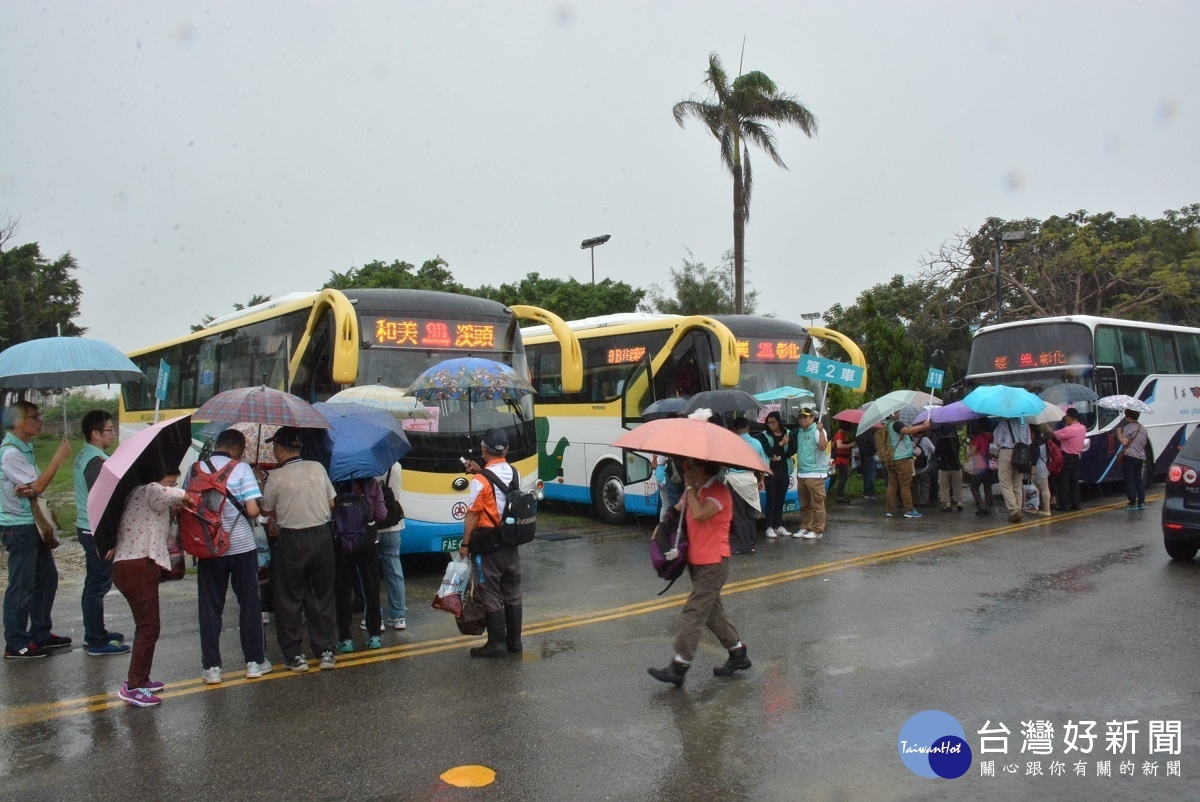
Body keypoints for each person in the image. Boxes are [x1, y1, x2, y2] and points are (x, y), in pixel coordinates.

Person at [648, 457, 749, 686]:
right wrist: (661, 531)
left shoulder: (719, 492)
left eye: (687, 467)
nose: (683, 471)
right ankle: (738, 653)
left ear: (700, 468)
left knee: (693, 613)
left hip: (714, 563)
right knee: (713, 613)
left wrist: (691, 488)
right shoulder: (695, 490)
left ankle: (679, 665)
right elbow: (675, 512)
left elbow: (701, 512)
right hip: (697, 562)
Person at [189, 428, 270, 684]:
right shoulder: (242, 469)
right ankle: (255, 662)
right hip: (241, 547)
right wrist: (258, 486)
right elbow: (253, 511)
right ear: (235, 447)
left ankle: (211, 668)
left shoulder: (195, 468)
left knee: (210, 607)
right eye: (242, 449)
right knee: (249, 603)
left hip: (208, 548)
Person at [259, 426, 338, 672]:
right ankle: (325, 651)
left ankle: (295, 655)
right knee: (321, 596)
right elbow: (332, 501)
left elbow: (266, 509)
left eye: (274, 447)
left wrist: (263, 483)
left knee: (289, 598)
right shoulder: (317, 467)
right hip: (321, 536)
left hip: (292, 540)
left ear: (280, 449)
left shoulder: (276, 477)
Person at [111, 467, 191, 706]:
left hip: (136, 565)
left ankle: (141, 680)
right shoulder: (149, 489)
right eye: (169, 481)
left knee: (147, 626)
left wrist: (174, 509)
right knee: (148, 627)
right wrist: (184, 495)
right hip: (137, 565)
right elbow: (170, 494)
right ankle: (134, 686)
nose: (171, 486)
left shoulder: (139, 494)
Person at [2, 401, 74, 660]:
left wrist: (31, 487)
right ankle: (16, 643)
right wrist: (57, 458)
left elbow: (32, 487)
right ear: (19, 421)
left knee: (47, 578)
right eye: (35, 417)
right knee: (21, 585)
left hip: (30, 523)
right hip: (18, 526)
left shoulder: (24, 449)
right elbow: (40, 485)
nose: (40, 421)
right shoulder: (11, 453)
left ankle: (40, 633)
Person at [458, 428, 523, 658]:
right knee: (512, 590)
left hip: (487, 544)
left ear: (484, 450)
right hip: (511, 541)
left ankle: (496, 644)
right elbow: (501, 490)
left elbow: (473, 514)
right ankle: (514, 642)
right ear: (506, 449)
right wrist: (481, 471)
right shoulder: (516, 473)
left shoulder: (479, 481)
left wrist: (465, 543)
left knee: (491, 591)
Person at [74, 409, 129, 656]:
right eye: (109, 429)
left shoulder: (89, 455)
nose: (113, 433)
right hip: (95, 530)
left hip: (89, 527)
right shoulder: (96, 462)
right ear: (94, 433)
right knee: (97, 586)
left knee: (96, 584)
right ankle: (95, 640)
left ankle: (97, 632)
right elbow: (103, 500)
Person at [334, 476, 387, 652]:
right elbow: (381, 514)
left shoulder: (336, 482)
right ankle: (374, 637)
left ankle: (345, 639)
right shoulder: (371, 483)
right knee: (371, 587)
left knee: (343, 590)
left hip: (342, 542)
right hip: (367, 540)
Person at [725, 415, 765, 553]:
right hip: (751, 479)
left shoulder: (731, 443)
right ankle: (752, 544)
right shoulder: (757, 443)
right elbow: (762, 465)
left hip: (735, 480)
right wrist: (761, 481)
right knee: (749, 513)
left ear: (734, 429)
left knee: (739, 514)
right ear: (748, 427)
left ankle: (744, 546)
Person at [375, 464, 408, 632]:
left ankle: (374, 618)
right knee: (394, 569)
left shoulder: (365, 467)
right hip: (393, 525)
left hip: (371, 527)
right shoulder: (395, 466)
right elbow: (398, 495)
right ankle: (399, 616)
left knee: (371, 572)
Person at [884, 411, 931, 520]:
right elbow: (906, 431)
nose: (899, 413)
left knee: (892, 485)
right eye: (897, 412)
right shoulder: (896, 424)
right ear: (892, 413)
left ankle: (889, 510)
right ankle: (909, 510)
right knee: (905, 485)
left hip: (891, 459)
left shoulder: (886, 425)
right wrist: (923, 426)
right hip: (902, 458)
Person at [755, 411, 796, 535]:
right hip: (770, 471)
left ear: (779, 422)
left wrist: (781, 456)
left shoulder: (787, 433)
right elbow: (768, 451)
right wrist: (781, 444)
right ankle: (769, 526)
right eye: (769, 422)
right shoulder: (763, 436)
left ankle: (778, 525)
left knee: (780, 499)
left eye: (773, 422)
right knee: (770, 499)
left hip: (784, 469)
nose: (771, 425)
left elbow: (793, 449)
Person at [793, 407, 829, 539]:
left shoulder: (818, 430)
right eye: (800, 417)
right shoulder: (800, 432)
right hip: (802, 473)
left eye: (805, 417)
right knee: (804, 504)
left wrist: (820, 432)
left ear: (812, 418)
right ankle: (805, 526)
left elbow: (823, 447)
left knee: (817, 504)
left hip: (815, 474)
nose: (802, 419)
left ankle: (818, 530)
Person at [993, 416, 1032, 523]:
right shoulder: (1025, 424)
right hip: (1021, 453)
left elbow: (997, 442)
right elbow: (1029, 441)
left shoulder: (1003, 423)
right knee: (1017, 482)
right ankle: (1018, 508)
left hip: (1007, 452)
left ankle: (1014, 510)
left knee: (1005, 482)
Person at [1051, 408, 1086, 511]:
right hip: (1076, 457)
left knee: (1064, 481)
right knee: (1074, 481)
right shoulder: (1082, 428)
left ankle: (1064, 504)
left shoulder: (1069, 429)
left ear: (1070, 418)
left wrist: (1048, 429)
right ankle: (1076, 503)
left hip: (1067, 457)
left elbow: (1055, 435)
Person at [1117, 409, 1149, 511]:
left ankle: (1132, 503)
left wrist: (1119, 434)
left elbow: (1124, 442)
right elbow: (1144, 443)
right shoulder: (1142, 428)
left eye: (1126, 416)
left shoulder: (1127, 428)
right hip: (1140, 457)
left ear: (1128, 417)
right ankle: (1141, 503)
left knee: (1130, 480)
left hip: (1130, 456)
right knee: (1138, 479)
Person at [966, 420, 996, 516]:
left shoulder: (977, 438)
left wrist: (969, 447)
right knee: (987, 487)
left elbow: (972, 452)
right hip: (990, 465)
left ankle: (981, 507)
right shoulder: (991, 437)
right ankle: (988, 507)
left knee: (974, 487)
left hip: (979, 465)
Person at [934, 424, 964, 512]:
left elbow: (936, 454)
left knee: (944, 486)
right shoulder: (955, 440)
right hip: (956, 466)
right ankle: (959, 503)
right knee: (957, 485)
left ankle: (948, 504)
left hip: (944, 467)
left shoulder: (939, 442)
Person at [1029, 428, 1053, 517]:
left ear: (1034, 433)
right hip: (1045, 465)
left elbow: (1034, 459)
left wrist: (1032, 472)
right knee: (1043, 488)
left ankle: (1046, 509)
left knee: (1042, 488)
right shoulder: (1044, 441)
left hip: (1039, 467)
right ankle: (1042, 507)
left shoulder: (1035, 443)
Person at [911, 430, 937, 508]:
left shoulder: (909, 439)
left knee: (914, 484)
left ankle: (914, 500)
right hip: (924, 466)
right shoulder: (925, 439)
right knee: (925, 484)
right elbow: (934, 450)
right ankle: (924, 501)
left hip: (913, 466)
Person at [830, 420, 854, 504]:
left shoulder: (843, 434)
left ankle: (837, 494)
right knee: (843, 477)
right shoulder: (840, 434)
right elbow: (839, 446)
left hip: (843, 459)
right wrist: (851, 445)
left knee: (839, 477)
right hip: (840, 459)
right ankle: (839, 496)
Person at [854, 426, 878, 499]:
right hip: (869, 455)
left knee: (866, 475)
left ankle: (866, 491)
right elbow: (872, 442)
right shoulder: (867, 433)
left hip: (862, 456)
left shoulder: (858, 433)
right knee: (870, 475)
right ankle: (869, 492)